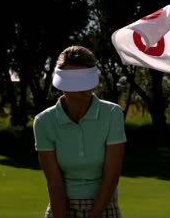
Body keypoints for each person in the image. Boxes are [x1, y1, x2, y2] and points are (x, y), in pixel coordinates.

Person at [33, 45, 127, 218]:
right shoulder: (44, 121)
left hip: (104, 204)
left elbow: (111, 177)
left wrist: (94, 215)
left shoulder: (112, 114)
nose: (80, 92)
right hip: (61, 205)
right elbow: (54, 183)